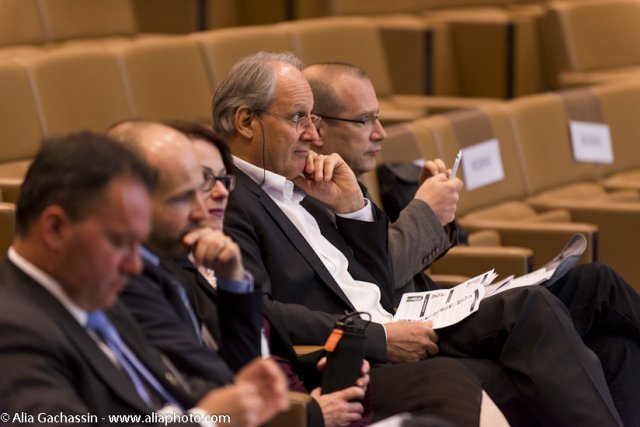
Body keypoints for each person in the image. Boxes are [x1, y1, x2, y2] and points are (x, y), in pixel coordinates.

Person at [213, 51, 624, 427]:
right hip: (356, 349)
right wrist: (379, 337)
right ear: (247, 122)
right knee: (520, 348)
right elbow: (258, 312)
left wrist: (354, 207)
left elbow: (375, 277)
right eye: (298, 118)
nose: (312, 135)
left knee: (608, 344)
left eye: (313, 120)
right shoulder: (227, 200)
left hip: (398, 317)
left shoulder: (304, 181)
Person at [0, 131, 288, 427]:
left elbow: (169, 387)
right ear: (55, 229)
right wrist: (208, 421)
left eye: (138, 244)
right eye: (120, 242)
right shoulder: (13, 330)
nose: (135, 265)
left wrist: (242, 396)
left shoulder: (96, 298)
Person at [108, 119, 373, 427]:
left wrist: (323, 372)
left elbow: (246, 368)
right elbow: (218, 385)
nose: (220, 193)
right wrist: (308, 412)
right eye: (201, 181)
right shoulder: (140, 275)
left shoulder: (190, 262)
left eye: (223, 178)